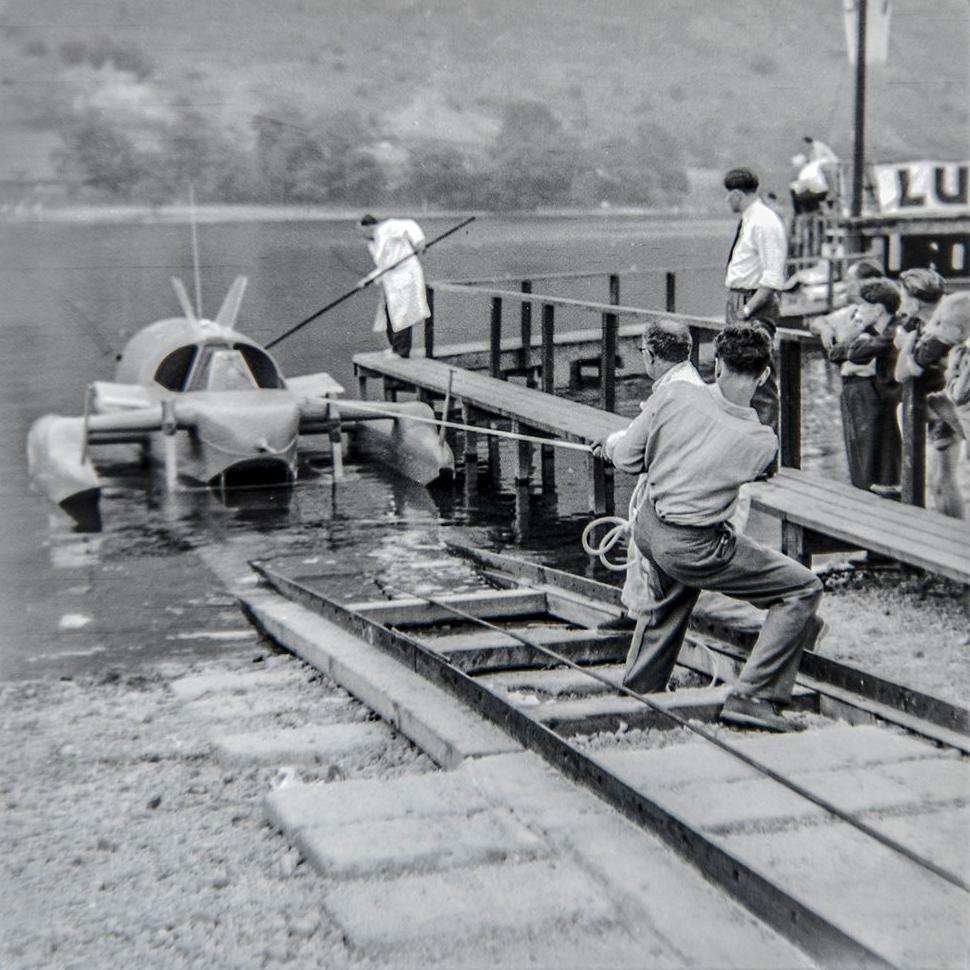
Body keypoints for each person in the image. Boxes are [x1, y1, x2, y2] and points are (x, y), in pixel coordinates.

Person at [595, 324, 824, 733]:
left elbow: (629, 458)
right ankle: (754, 696)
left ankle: (640, 689)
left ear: (716, 365)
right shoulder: (761, 441)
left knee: (672, 594)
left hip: (649, 528)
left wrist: (610, 446)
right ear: (765, 376)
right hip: (695, 545)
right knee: (801, 588)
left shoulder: (674, 395)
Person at [892, 269, 964, 517]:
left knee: (941, 481)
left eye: (903, 297)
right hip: (940, 403)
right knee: (939, 481)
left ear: (915, 300)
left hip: (950, 406)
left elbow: (901, 373)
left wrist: (907, 341)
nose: (900, 303)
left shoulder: (937, 333)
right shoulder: (928, 320)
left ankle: (953, 539)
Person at [723, 167, 787, 432]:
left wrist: (747, 309)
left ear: (737, 195)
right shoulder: (751, 219)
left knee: (759, 379)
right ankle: (743, 447)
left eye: (728, 195)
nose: (726, 201)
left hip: (753, 304)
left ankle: (766, 454)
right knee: (735, 376)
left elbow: (772, 278)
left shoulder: (764, 221)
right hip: (739, 299)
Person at [828, 278, 904, 495]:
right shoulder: (892, 328)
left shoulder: (890, 333)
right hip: (892, 399)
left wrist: (857, 328)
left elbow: (843, 354)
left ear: (878, 310)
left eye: (863, 306)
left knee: (881, 461)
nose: (858, 310)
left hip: (895, 400)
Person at [357, 214, 429, 358]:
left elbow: (410, 224)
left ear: (369, 226)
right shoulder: (373, 244)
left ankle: (401, 351)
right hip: (391, 279)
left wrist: (419, 241)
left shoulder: (387, 227)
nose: (361, 235)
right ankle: (395, 347)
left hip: (406, 274)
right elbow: (384, 266)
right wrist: (369, 279)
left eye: (362, 231)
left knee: (402, 313)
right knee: (389, 312)